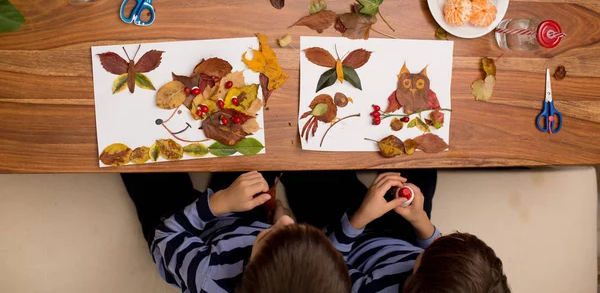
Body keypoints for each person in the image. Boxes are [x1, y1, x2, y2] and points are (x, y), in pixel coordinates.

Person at [121, 171, 351, 293]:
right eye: (296, 227)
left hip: (179, 231)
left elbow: (167, 233)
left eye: (274, 232)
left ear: (250, 265)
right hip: (241, 221)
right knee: (252, 145)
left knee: (142, 162)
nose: (288, 219)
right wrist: (277, 220)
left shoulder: (207, 276)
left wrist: (217, 204)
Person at [282, 170, 510, 293]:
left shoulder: (373, 289)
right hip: (401, 233)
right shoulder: (441, 272)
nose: (435, 243)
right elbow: (436, 248)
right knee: (421, 159)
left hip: (342, 238)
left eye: (431, 251)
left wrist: (360, 217)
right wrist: (420, 219)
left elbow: (324, 263)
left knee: (312, 173)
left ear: (418, 273)